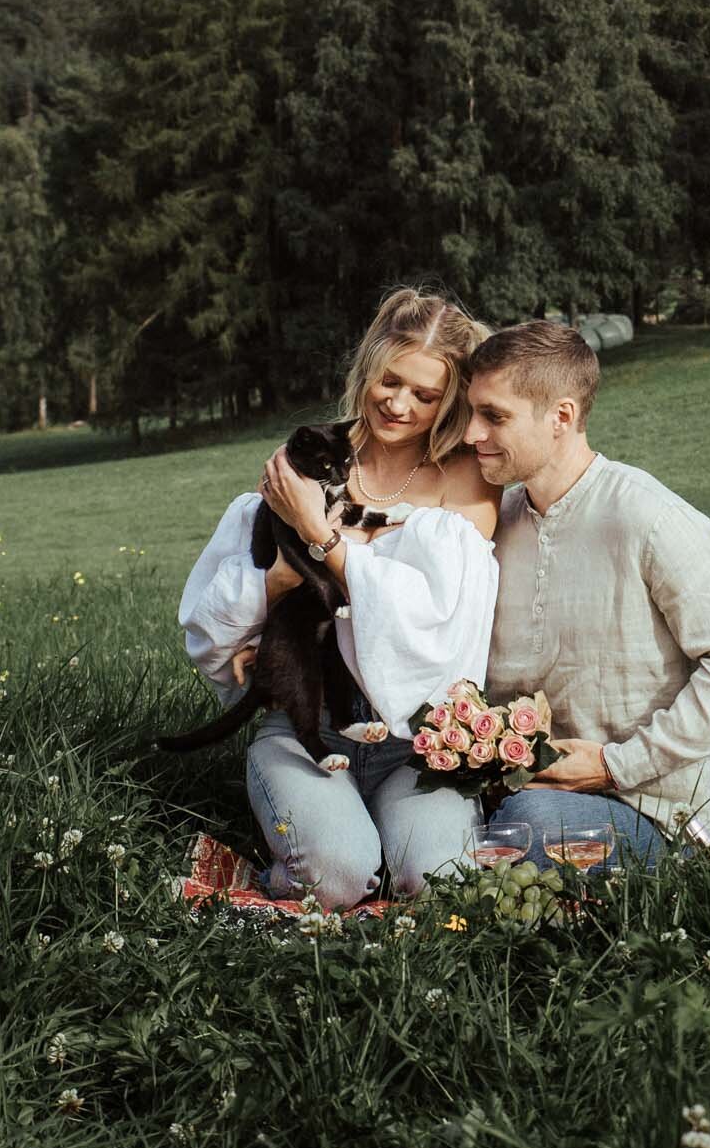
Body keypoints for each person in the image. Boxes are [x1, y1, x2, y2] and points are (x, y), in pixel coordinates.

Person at [177, 290, 500, 909]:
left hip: (418, 740)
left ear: (451, 399)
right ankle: (312, 848)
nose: (398, 404)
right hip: (306, 726)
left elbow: (437, 621)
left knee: (438, 884)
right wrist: (265, 609)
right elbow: (245, 579)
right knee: (338, 876)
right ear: (368, 367)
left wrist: (321, 535)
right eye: (389, 380)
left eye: (425, 395)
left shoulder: (467, 479)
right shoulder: (312, 453)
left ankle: (364, 835)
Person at [465, 321, 710, 863]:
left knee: (519, 831)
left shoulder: (647, 515)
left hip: (644, 810)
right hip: (517, 788)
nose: (472, 433)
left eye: (494, 416)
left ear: (561, 416)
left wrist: (616, 765)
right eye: (472, 414)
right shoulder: (494, 524)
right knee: (421, 829)